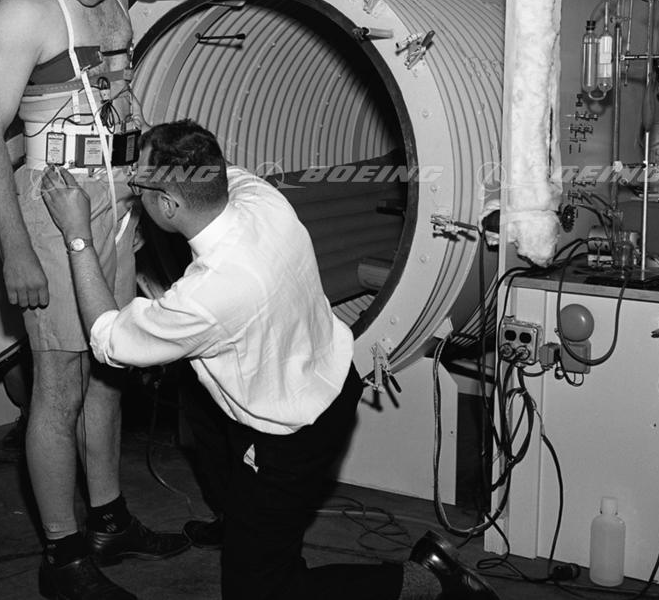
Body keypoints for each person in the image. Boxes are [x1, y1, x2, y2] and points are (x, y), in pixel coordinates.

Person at [39, 118, 500, 600]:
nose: (134, 191)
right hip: (331, 378)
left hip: (290, 435)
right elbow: (221, 169)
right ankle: (241, 524)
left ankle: (430, 579)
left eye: (139, 186)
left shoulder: (208, 294)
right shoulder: (262, 199)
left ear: (169, 205)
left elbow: (109, 339)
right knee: (201, 406)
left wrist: (78, 234)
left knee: (262, 591)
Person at [0, 0, 188, 600]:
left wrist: (139, 202)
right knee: (57, 388)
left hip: (112, 209)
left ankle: (108, 521)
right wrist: (15, 250)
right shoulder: (25, 12)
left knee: (109, 372)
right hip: (51, 214)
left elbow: (114, 109)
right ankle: (62, 558)